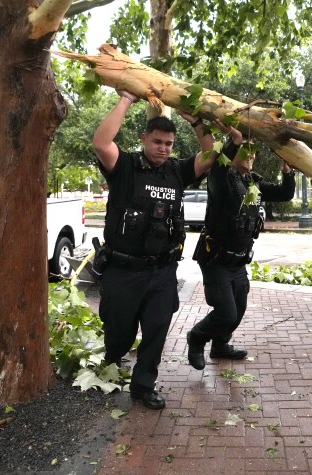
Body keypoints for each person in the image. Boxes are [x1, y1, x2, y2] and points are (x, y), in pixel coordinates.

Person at [93, 90, 216, 409]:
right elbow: (101, 143)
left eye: (168, 144)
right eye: (157, 142)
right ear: (144, 139)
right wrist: (126, 100)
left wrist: (197, 122)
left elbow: (211, 155)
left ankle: (143, 385)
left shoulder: (176, 171)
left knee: (157, 329)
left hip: (161, 271)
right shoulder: (125, 167)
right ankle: (113, 356)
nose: (163, 148)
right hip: (123, 270)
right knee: (119, 332)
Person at [187, 126, 296, 369]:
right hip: (216, 260)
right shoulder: (221, 180)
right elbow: (219, 165)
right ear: (233, 156)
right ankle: (197, 337)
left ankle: (220, 346)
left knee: (239, 309)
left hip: (239, 262)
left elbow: (285, 194)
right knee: (226, 313)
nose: (249, 156)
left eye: (252, 153)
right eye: (243, 152)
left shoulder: (252, 184)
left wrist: (287, 171)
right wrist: (234, 140)